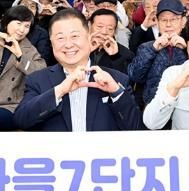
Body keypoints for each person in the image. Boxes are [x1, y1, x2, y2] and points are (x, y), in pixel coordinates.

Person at [13, 8, 142, 131]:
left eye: (75, 36)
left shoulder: (116, 79)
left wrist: (116, 92)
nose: (68, 45)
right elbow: (21, 120)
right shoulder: (38, 80)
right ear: (51, 43)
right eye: (60, 38)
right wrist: (60, 90)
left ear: (89, 37)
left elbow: (136, 128)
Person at [128, 0, 189, 105]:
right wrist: (152, 50)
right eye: (164, 20)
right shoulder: (146, 47)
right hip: (154, 106)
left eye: (173, 19)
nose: (168, 24)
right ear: (156, 21)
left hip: (184, 106)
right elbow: (135, 76)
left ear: (183, 21)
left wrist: (187, 50)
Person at [13, 0, 54, 65]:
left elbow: (42, 61)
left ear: (36, 11)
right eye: (24, 5)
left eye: (32, 6)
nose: (28, 9)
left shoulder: (41, 34)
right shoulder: (7, 28)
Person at [88, 9, 134, 74]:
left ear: (115, 31)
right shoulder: (77, 48)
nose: (104, 32)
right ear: (90, 26)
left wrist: (115, 57)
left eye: (110, 29)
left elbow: (125, 78)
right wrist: (86, 52)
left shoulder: (126, 54)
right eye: (99, 27)